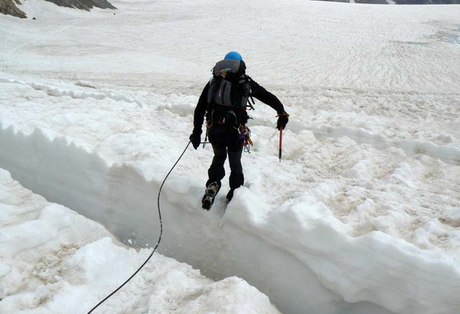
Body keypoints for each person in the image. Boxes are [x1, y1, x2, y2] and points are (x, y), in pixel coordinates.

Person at [189, 51, 289, 210]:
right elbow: (267, 96)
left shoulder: (214, 81)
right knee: (235, 163)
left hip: (215, 129)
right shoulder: (245, 82)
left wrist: (196, 132)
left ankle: (213, 183)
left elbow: (200, 108)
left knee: (219, 156)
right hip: (235, 132)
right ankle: (235, 194)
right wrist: (281, 112)